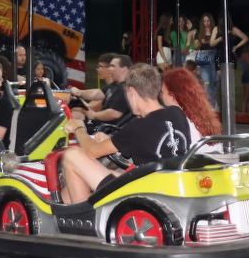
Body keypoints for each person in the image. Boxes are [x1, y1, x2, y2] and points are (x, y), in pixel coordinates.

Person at [58, 64, 189, 204]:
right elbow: (151, 142)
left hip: (144, 192)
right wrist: (111, 140)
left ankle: (81, 214)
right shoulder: (177, 113)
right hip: (169, 185)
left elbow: (91, 151)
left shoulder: (138, 126)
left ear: (132, 91)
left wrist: (78, 128)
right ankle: (63, 209)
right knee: (82, 173)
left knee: (72, 155)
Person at [162, 66, 222, 149]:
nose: (161, 96)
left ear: (173, 96)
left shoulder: (179, 122)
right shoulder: (202, 114)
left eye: (162, 92)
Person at [70, 53, 132, 124]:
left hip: (106, 127)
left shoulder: (124, 88)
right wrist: (79, 92)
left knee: (72, 121)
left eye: (113, 66)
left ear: (123, 69)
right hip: (100, 123)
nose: (109, 69)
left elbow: (115, 113)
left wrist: (94, 115)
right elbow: (98, 93)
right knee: (70, 116)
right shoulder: (115, 84)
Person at [194, 13, 223, 109]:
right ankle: (207, 106)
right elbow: (195, 47)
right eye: (204, 21)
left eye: (208, 21)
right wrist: (201, 42)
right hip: (203, 57)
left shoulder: (216, 31)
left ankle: (213, 104)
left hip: (214, 56)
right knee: (206, 82)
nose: (206, 23)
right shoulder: (199, 32)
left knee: (215, 81)